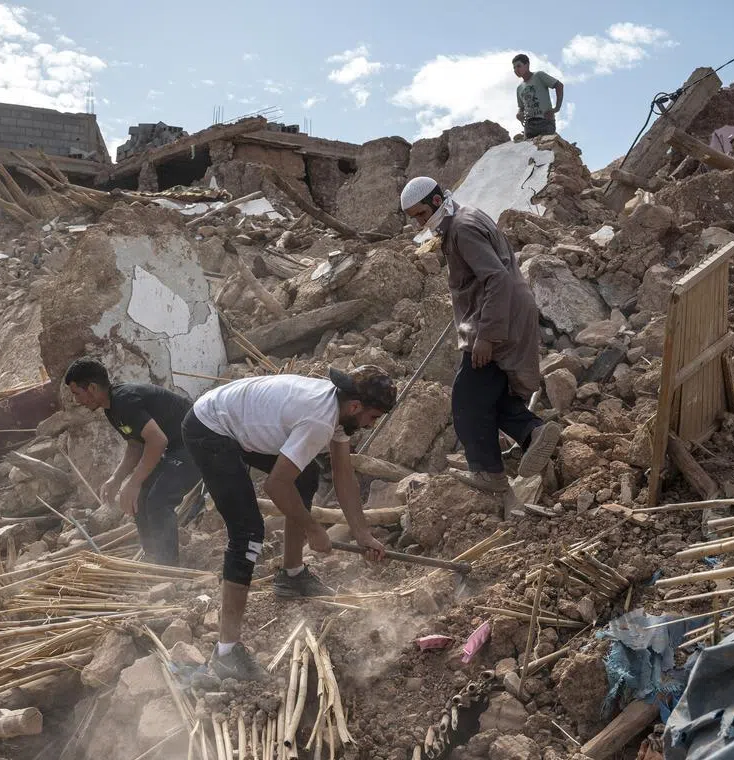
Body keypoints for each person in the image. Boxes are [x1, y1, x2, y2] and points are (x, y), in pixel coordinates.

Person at [182, 366, 395, 681]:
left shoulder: (338, 410)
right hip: (210, 427)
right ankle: (226, 653)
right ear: (355, 407)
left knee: (306, 475)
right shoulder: (320, 420)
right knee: (248, 533)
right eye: (372, 417)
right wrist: (313, 529)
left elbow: (343, 473)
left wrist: (362, 533)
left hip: (234, 418)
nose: (369, 425)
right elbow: (276, 486)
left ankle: (292, 576)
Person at [399, 176, 560, 496]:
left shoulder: (461, 227)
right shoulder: (463, 219)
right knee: (490, 395)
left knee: (466, 398)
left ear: (434, 202)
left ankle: (489, 473)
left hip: (498, 319)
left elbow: (495, 279)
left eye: (419, 214)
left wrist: (487, 336)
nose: (418, 222)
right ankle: (532, 433)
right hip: (503, 313)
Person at [63, 358, 200, 566]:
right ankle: (152, 555)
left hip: (197, 444)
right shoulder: (112, 408)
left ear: (91, 388)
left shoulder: (124, 401)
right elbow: (136, 445)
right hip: (175, 449)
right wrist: (116, 479)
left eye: (77, 393)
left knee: (158, 499)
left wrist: (133, 482)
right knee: (140, 497)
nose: (76, 401)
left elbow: (157, 440)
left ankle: (167, 565)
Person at [512, 54, 563, 139]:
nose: (516, 70)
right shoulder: (519, 88)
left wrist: (556, 108)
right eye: (514, 68)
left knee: (546, 149)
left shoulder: (539, 76)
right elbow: (521, 107)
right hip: (529, 125)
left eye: (518, 66)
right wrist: (519, 115)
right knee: (528, 150)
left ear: (527, 65)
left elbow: (559, 85)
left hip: (545, 121)